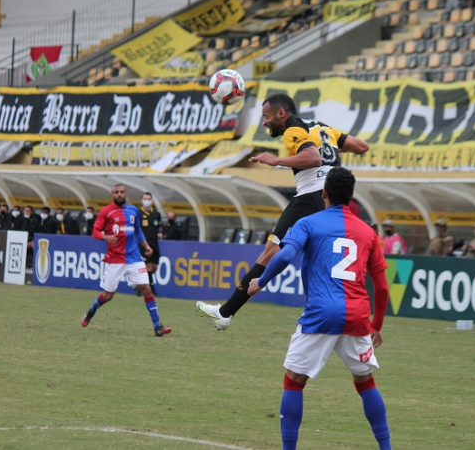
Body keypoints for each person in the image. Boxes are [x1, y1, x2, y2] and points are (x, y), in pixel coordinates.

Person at [196, 93, 369, 330]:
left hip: (311, 197)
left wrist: (276, 160)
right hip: (333, 199)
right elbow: (362, 146)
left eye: (266, 117)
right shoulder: (322, 129)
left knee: (270, 254)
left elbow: (313, 158)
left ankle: (225, 313)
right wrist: (330, 150)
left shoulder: (292, 130)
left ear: (281, 113)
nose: (264, 122)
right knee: (314, 257)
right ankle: (341, 313)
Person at [247, 167, 391, 450]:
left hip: (321, 313)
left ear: (324, 193)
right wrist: (377, 326)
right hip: (358, 315)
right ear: (351, 197)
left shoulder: (308, 223)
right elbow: (383, 288)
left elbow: (286, 254)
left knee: (294, 381)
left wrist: (260, 282)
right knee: (365, 381)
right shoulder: (368, 233)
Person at [80, 184, 171, 337]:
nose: (120, 194)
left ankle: (157, 326)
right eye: (116, 192)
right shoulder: (106, 212)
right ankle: (91, 311)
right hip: (115, 259)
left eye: (122, 192)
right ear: (112, 195)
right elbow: (95, 232)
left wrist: (146, 245)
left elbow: (138, 231)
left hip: (134, 257)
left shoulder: (133, 210)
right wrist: (105, 236)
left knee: (146, 289)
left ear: (126, 194)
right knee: (108, 295)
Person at [139, 192, 162, 296]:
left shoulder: (156, 214)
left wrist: (160, 232)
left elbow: (160, 226)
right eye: (145, 198)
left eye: (148, 199)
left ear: (152, 201)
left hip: (154, 243)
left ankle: (139, 286)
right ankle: (151, 290)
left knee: (154, 267)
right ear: (142, 200)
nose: (147, 200)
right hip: (144, 243)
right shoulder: (138, 213)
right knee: (147, 267)